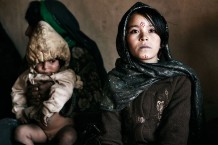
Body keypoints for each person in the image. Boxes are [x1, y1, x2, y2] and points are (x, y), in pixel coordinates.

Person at [0, 0, 107, 145]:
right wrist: (26, 101)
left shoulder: (79, 54)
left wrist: (55, 92)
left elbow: (95, 99)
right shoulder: (34, 58)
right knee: (6, 129)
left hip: (70, 127)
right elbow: (19, 89)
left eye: (33, 25)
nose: (27, 31)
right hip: (36, 127)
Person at [100, 2, 204, 145]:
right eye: (134, 31)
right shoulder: (115, 81)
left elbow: (174, 137)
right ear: (124, 41)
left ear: (162, 41)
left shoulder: (179, 80)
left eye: (152, 30)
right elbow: (110, 138)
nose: (144, 37)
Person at [11, 20, 83, 145]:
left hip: (62, 128)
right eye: (40, 62)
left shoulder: (65, 75)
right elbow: (17, 90)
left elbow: (63, 91)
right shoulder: (28, 75)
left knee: (69, 136)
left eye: (52, 61)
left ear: (60, 61)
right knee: (20, 132)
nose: (45, 67)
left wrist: (48, 109)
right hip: (41, 130)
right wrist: (19, 110)